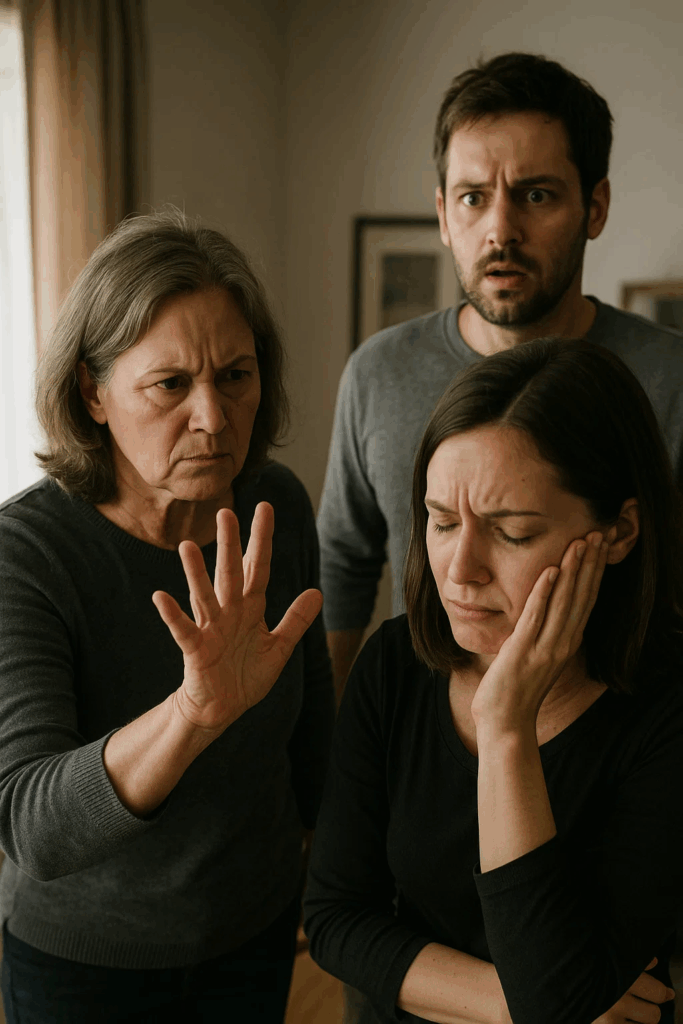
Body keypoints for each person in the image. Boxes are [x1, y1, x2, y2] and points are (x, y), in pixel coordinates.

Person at [0, 209, 335, 1023]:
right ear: (92, 391)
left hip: (253, 934)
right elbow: (34, 827)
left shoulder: (273, 507)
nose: (214, 418)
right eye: (170, 384)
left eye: (236, 376)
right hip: (84, 966)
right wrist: (193, 713)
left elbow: (314, 734)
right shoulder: (27, 554)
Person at [304, 337, 683, 1024]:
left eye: (510, 533)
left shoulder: (667, 709)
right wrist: (523, 1004)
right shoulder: (393, 664)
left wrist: (506, 727)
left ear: (620, 530)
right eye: (442, 522)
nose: (459, 570)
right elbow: (334, 920)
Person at [317, 51, 683, 703]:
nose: (499, 230)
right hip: (424, 744)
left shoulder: (669, 376)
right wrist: (332, 744)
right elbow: (342, 567)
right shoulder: (378, 371)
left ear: (593, 207)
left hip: (621, 748)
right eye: (472, 198)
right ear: (441, 212)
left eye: (534, 195)